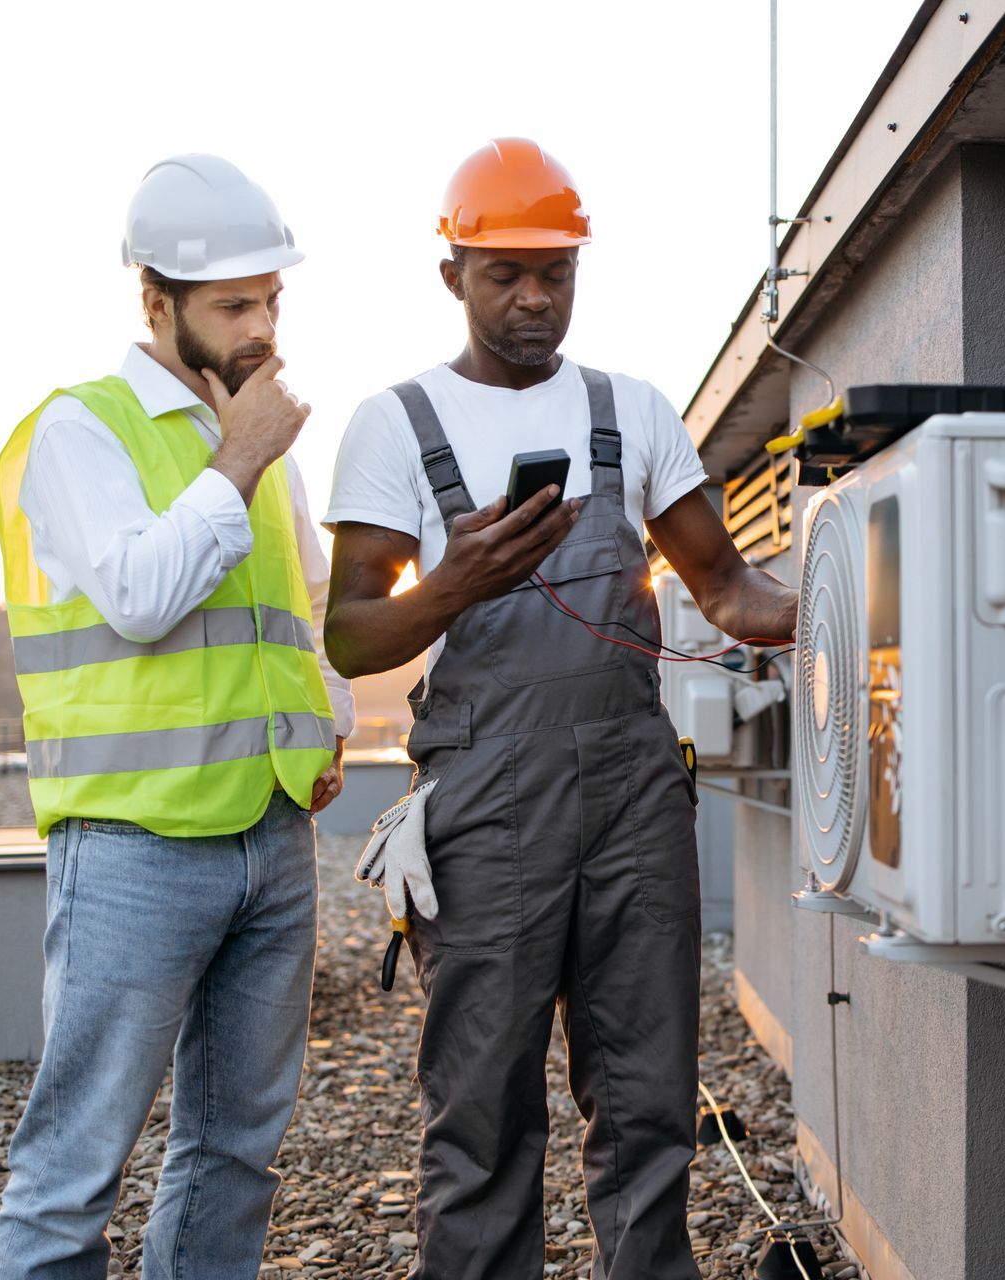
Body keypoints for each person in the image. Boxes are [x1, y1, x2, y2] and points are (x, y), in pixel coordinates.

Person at [322, 137, 798, 1280]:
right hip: (486, 799)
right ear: (454, 274)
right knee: (482, 1111)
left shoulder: (630, 411)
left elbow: (728, 588)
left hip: (634, 795)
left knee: (646, 1098)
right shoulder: (396, 426)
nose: (535, 298)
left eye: (557, 271)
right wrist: (455, 582)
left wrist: (856, 597)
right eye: (506, 274)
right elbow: (347, 631)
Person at [0, 153, 355, 1279]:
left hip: (270, 836)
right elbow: (144, 598)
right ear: (157, 302)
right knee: (72, 1172)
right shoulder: (78, 432)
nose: (262, 327)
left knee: (235, 1152)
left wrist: (329, 717)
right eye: (234, 304)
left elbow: (307, 599)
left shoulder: (258, 442)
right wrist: (238, 457)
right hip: (132, 849)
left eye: (272, 300)